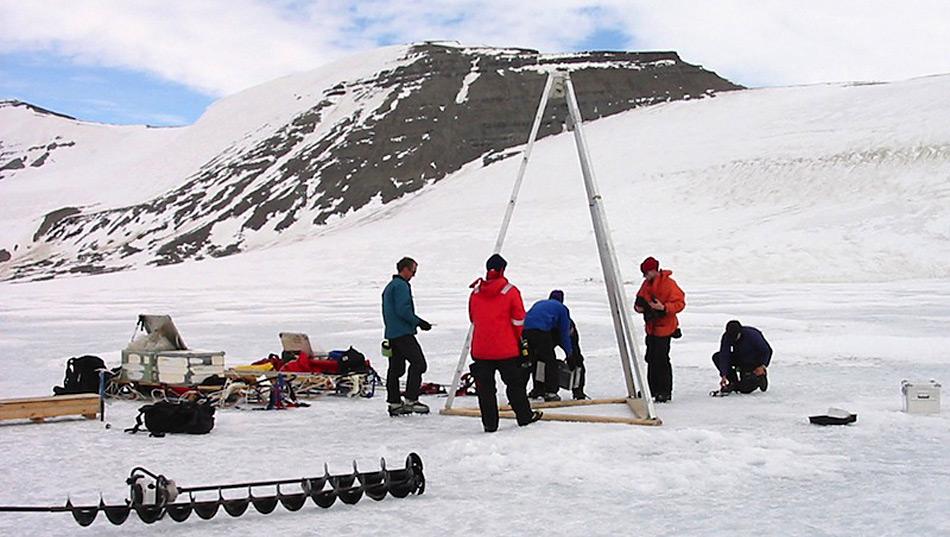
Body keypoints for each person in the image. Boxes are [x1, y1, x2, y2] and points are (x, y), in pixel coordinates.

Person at [468, 254, 542, 432]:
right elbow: (519, 320)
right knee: (515, 385)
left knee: (485, 390)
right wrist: (518, 339)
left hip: (481, 349)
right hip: (506, 349)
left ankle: (490, 423)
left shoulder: (476, 292)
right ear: (502, 270)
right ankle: (524, 416)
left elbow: (472, 318)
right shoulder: (510, 291)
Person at [381, 257, 432, 416]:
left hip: (392, 334)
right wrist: (419, 322)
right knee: (419, 363)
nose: (414, 275)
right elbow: (403, 310)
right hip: (402, 333)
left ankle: (394, 402)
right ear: (405, 269)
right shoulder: (401, 286)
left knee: (395, 369)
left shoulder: (390, 287)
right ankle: (411, 399)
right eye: (413, 271)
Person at [633, 256, 685, 403]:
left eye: (646, 273)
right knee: (650, 358)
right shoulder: (646, 284)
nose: (644, 276)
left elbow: (680, 303)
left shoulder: (669, 284)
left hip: (665, 328)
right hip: (651, 328)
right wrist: (640, 308)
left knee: (661, 359)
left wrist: (664, 308)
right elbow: (639, 300)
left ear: (653, 271)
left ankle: (664, 391)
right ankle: (651, 389)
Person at [524, 290, 574, 401]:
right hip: (540, 332)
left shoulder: (540, 303)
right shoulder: (562, 309)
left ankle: (537, 389)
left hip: (524, 334)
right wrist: (569, 354)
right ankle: (551, 392)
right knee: (550, 361)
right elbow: (564, 334)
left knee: (533, 360)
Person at [713, 320, 771, 393]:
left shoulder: (752, 335)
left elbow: (766, 351)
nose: (733, 339)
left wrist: (762, 366)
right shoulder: (727, 336)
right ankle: (733, 382)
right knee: (717, 357)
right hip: (739, 358)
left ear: (740, 332)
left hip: (753, 361)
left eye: (735, 337)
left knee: (745, 389)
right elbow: (724, 355)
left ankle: (760, 378)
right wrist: (724, 374)